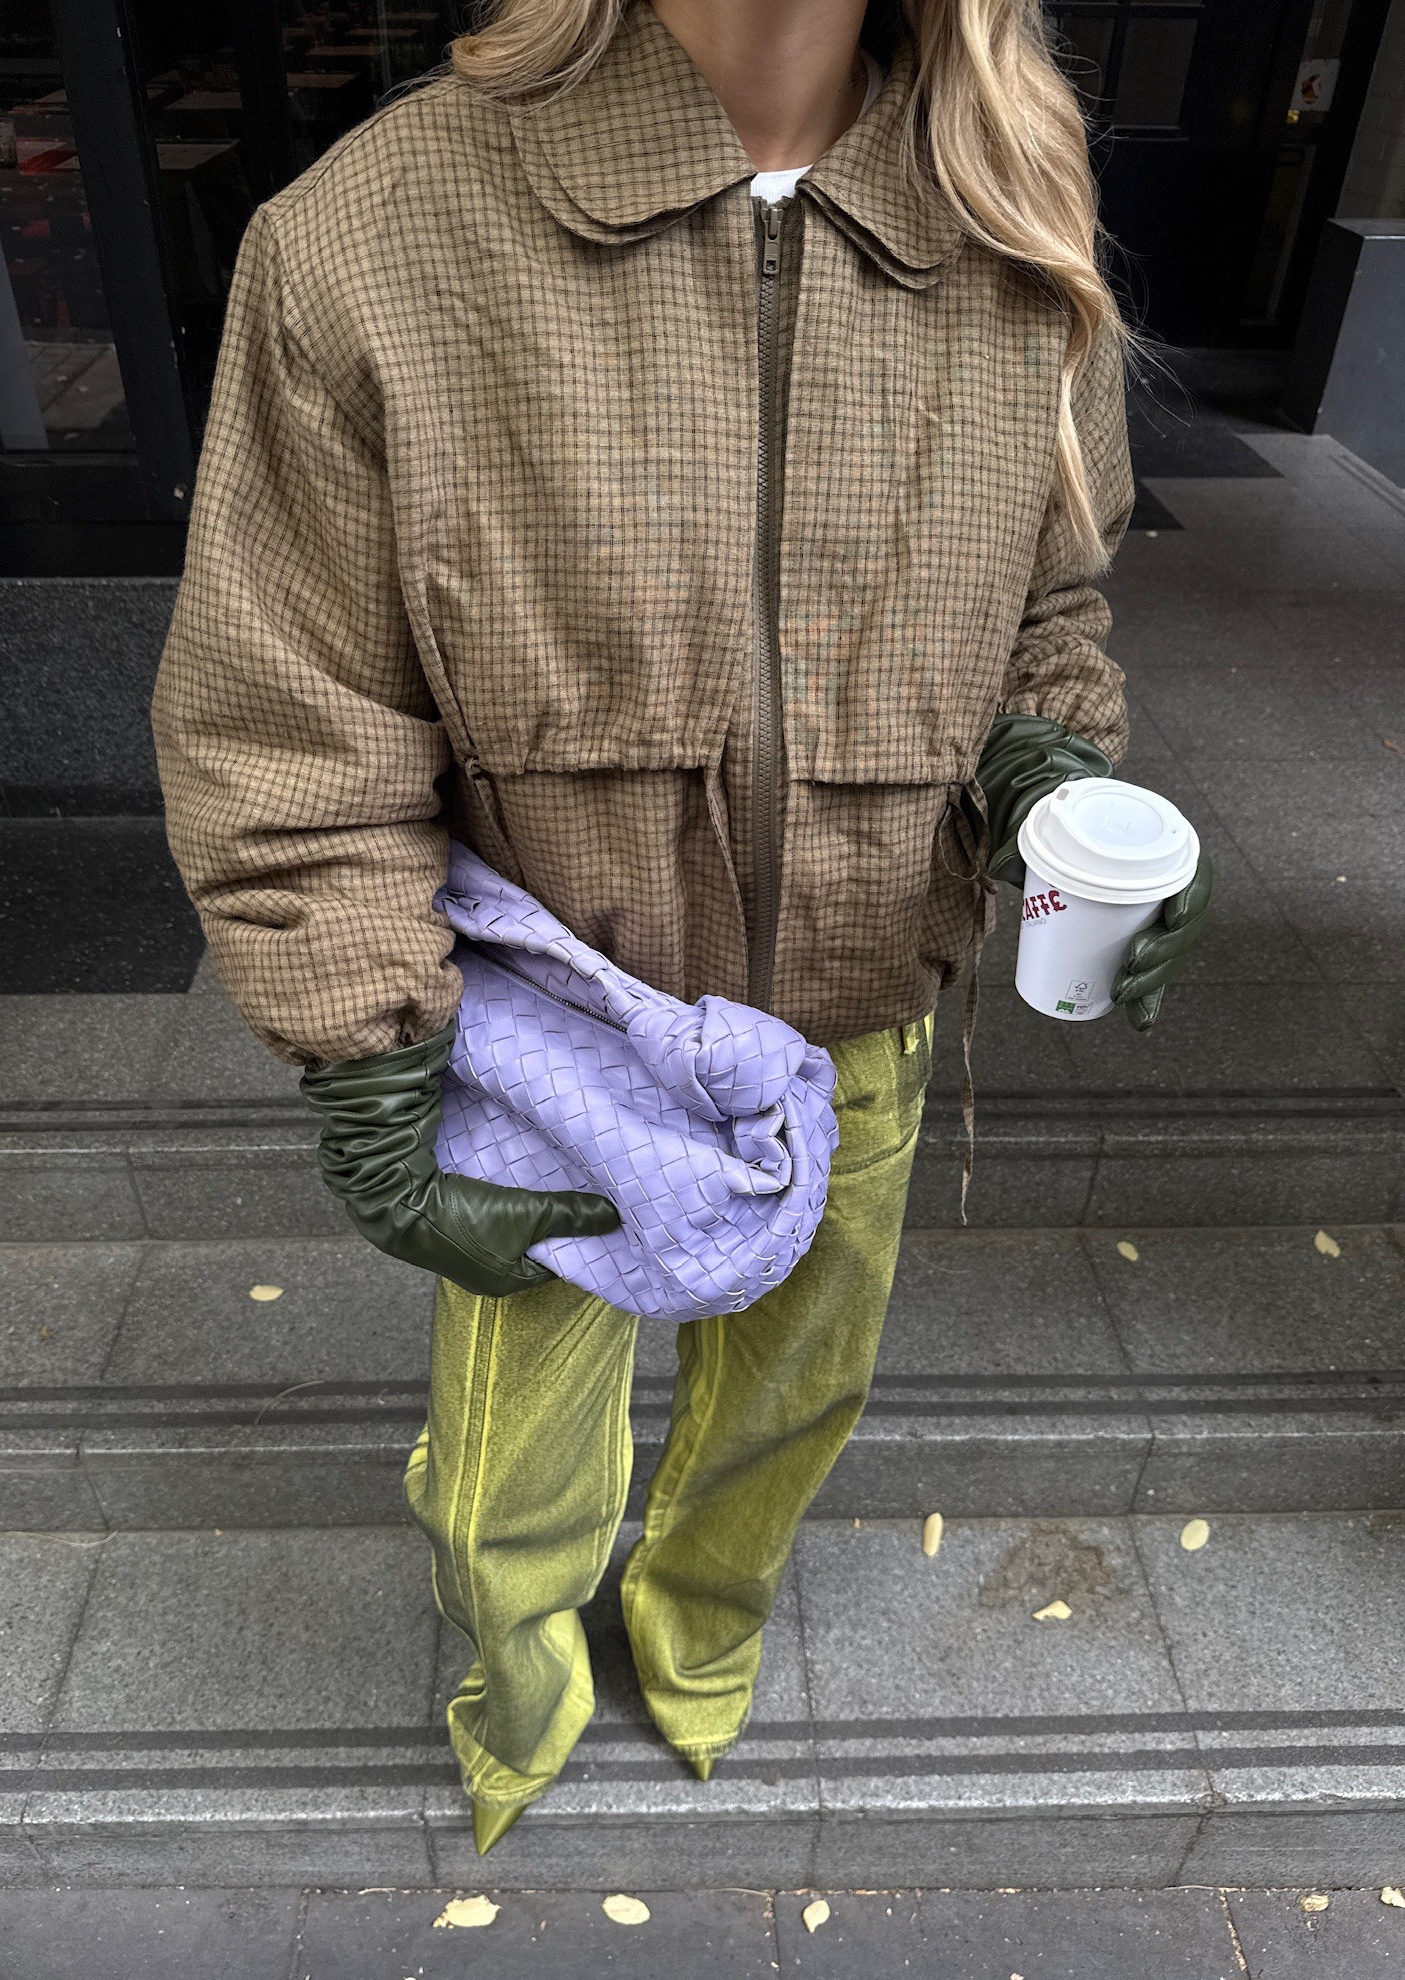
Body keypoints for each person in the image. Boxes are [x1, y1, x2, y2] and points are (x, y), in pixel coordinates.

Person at [151, 0, 1211, 1854]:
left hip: (867, 1004)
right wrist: (365, 1046)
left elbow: (1050, 603)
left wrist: (1053, 779)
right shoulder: (383, 230)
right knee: (508, 1468)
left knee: (793, 1400)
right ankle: (522, 1691)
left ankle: (699, 1639)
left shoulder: (1009, 214)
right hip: (558, 1030)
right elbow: (292, 689)